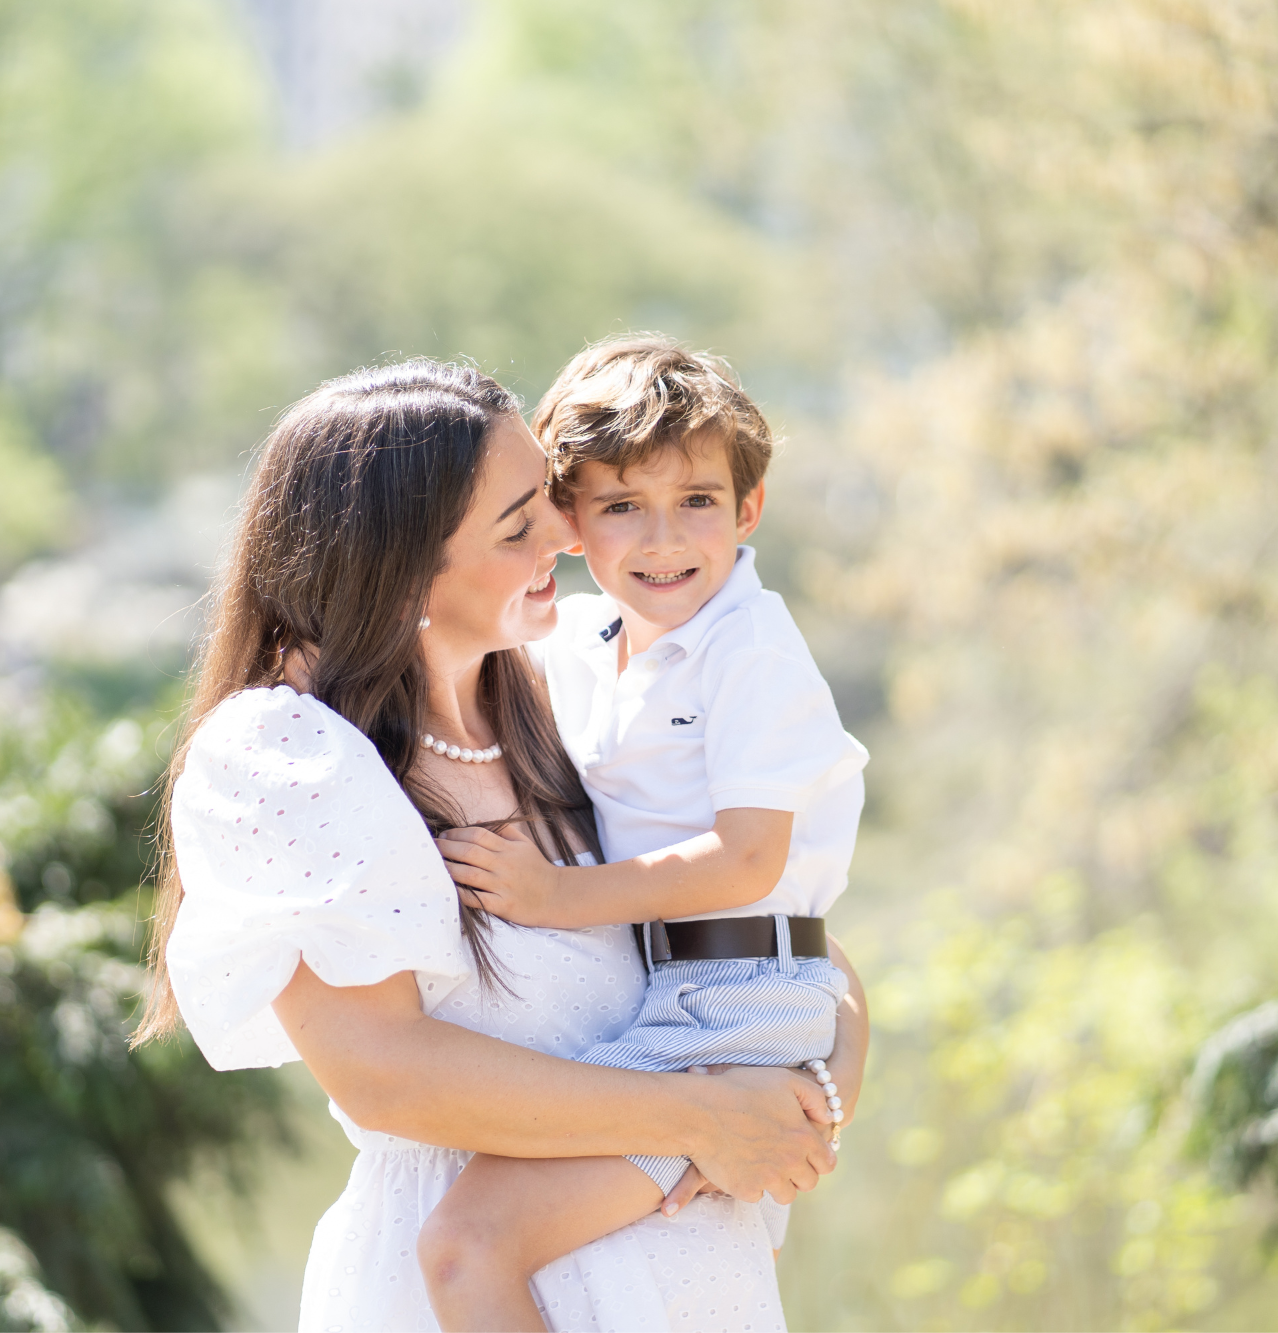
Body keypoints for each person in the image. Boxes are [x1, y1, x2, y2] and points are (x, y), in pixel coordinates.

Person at [137, 358, 866, 1332]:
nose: (571, 535)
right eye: (521, 523)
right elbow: (382, 1071)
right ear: (394, 565)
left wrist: (811, 1093)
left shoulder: (562, 692)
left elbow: (787, 927)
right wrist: (700, 1118)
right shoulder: (292, 755)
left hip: (688, 1279)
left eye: (554, 502)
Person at [421, 336, 870, 1332]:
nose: (661, 539)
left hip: (734, 1002)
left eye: (696, 502)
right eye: (622, 505)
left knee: (466, 1247)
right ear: (568, 520)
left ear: (747, 511)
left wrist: (548, 898)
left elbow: (750, 858)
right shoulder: (576, 644)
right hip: (665, 990)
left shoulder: (748, 649)